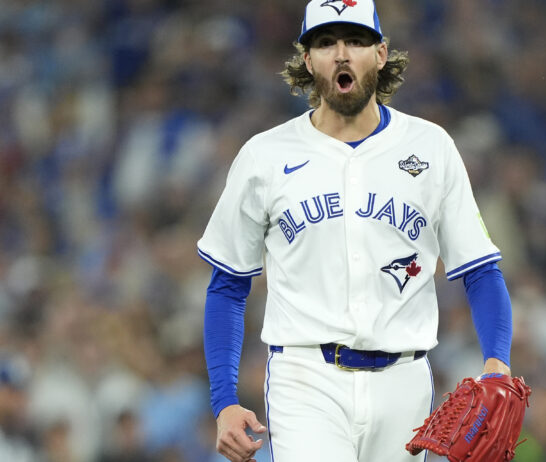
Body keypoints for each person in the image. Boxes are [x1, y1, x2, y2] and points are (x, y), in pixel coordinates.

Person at [198, 1, 514, 461]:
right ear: (307, 61)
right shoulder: (264, 155)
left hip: (405, 381)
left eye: (356, 41)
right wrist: (224, 401)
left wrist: (497, 363)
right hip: (305, 378)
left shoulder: (431, 147)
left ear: (381, 54)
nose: (341, 54)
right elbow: (227, 285)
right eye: (326, 42)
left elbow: (481, 270)